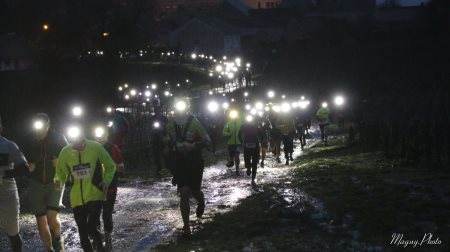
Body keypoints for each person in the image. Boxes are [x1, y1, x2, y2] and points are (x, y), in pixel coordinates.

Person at [54, 124, 116, 252]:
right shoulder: (65, 152)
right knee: (82, 233)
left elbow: (111, 166)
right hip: (76, 197)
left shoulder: (96, 147)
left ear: (83, 136)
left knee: (91, 227)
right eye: (73, 140)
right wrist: (58, 181)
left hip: (95, 193)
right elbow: (60, 171)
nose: (75, 144)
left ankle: (100, 243)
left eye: (77, 139)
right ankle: (100, 245)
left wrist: (106, 181)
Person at [164, 99, 211, 238]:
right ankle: (186, 226)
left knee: (195, 191)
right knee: (184, 192)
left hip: (195, 162)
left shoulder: (195, 122)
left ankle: (201, 201)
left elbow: (207, 140)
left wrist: (193, 146)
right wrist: (168, 147)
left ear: (187, 108)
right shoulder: (169, 125)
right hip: (180, 164)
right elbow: (167, 140)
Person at [23, 113, 67, 252]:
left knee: (52, 215)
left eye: (43, 125)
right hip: (36, 183)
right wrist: (28, 166)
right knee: (41, 220)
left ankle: (58, 242)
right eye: (37, 124)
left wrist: (60, 161)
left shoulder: (58, 137)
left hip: (55, 180)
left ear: (48, 125)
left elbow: (69, 154)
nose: (40, 128)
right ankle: (50, 250)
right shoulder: (29, 140)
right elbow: (21, 159)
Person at [0, 115, 30, 252]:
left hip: (7, 195)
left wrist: (4, 174)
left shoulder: (9, 145)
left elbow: (24, 168)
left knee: (13, 233)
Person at [94, 127, 124, 252]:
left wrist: (110, 166)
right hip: (93, 188)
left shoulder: (113, 148)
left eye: (102, 135)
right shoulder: (91, 148)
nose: (99, 137)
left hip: (110, 187)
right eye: (97, 135)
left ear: (106, 136)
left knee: (106, 213)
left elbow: (121, 168)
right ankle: (96, 238)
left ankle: (108, 237)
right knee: (94, 214)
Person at [239, 116, 262, 185]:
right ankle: (248, 168)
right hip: (247, 145)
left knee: (255, 163)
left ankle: (253, 179)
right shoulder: (243, 125)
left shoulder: (256, 125)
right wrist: (241, 141)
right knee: (247, 160)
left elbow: (261, 133)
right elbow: (239, 134)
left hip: (255, 146)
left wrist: (262, 139)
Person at [222, 110, 243, 175]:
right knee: (232, 156)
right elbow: (223, 132)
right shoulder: (228, 124)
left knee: (237, 156)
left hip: (238, 143)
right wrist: (229, 133)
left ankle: (237, 169)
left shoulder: (240, 123)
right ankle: (231, 161)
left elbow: (244, 131)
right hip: (230, 143)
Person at [149, 105, 168, 176]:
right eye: (156, 109)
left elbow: (167, 126)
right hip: (155, 137)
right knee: (156, 153)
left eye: (158, 110)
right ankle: (158, 168)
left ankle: (166, 167)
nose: (157, 111)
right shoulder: (152, 118)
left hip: (163, 137)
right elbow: (150, 126)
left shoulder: (164, 118)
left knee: (165, 152)